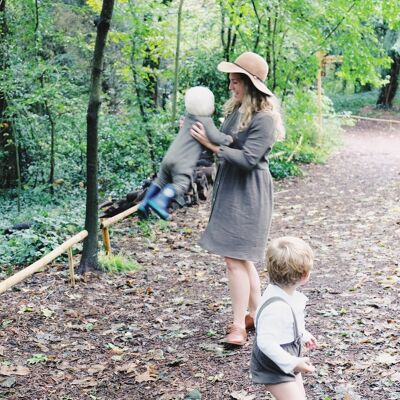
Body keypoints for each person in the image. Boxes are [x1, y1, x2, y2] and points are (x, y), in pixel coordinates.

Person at [190, 51, 285, 345]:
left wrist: (212, 145)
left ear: (249, 84)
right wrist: (202, 131)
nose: (230, 86)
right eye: (230, 81)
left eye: (235, 81)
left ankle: (237, 327)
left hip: (250, 193)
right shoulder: (238, 110)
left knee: (235, 259)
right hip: (232, 188)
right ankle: (257, 315)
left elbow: (248, 158)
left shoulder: (265, 118)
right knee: (241, 259)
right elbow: (229, 140)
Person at [138, 86, 232, 220]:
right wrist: (228, 139)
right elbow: (215, 137)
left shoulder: (188, 118)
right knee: (180, 184)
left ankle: (144, 203)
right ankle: (160, 202)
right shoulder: (205, 120)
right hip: (182, 163)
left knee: (160, 180)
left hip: (168, 158)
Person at [251, 236, 317, 400]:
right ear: (305, 275)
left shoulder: (285, 295)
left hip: (288, 353)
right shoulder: (276, 307)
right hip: (275, 360)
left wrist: (303, 334)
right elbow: (266, 342)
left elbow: (288, 324)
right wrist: (293, 363)